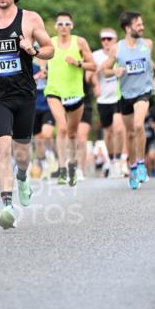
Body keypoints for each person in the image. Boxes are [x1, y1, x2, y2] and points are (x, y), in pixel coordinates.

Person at [0, 0, 53, 230]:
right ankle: (7, 204)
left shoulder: (30, 19)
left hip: (24, 94)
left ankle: (22, 176)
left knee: (21, 153)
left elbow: (50, 49)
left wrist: (33, 50)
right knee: (2, 147)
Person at [102, 11, 155, 189]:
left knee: (139, 126)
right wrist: (114, 72)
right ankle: (132, 166)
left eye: (142, 24)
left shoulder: (147, 44)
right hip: (125, 95)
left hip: (144, 91)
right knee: (130, 134)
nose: (142, 27)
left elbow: (150, 63)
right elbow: (105, 69)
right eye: (138, 24)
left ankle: (141, 164)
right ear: (128, 27)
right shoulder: (117, 48)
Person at [44, 12, 96, 187]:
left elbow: (93, 65)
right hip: (54, 91)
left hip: (75, 93)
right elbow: (42, 61)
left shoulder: (79, 42)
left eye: (67, 24)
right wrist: (42, 71)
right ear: (56, 27)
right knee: (63, 127)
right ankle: (61, 169)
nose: (63, 27)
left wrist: (78, 63)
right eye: (60, 24)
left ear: (72, 26)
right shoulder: (49, 43)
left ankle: (72, 165)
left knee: (73, 133)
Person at [92, 28, 125, 178]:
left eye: (109, 39)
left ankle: (119, 160)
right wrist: (96, 85)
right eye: (103, 39)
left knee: (119, 129)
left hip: (119, 97)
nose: (106, 41)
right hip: (103, 99)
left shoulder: (122, 53)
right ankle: (111, 161)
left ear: (115, 40)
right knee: (109, 132)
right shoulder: (96, 55)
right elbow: (90, 74)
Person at [31, 60, 54, 179]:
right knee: (38, 139)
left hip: (48, 105)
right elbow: (24, 81)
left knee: (47, 133)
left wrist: (48, 74)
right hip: (34, 107)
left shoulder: (51, 63)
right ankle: (44, 164)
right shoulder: (30, 64)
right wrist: (37, 77)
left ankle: (50, 154)